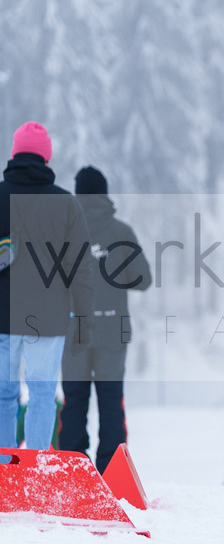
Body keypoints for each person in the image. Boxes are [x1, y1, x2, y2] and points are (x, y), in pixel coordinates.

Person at [1, 122, 94, 458]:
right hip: (48, 317)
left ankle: (4, 469)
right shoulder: (66, 204)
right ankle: (36, 470)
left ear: (14, 153)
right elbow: (81, 266)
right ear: (46, 157)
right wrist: (84, 317)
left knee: (2, 394)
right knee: (42, 393)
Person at [59, 166, 152, 475]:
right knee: (111, 401)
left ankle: (74, 472)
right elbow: (143, 280)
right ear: (104, 192)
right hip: (113, 329)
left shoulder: (63, 230)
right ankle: (113, 473)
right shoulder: (121, 232)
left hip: (73, 329)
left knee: (74, 401)